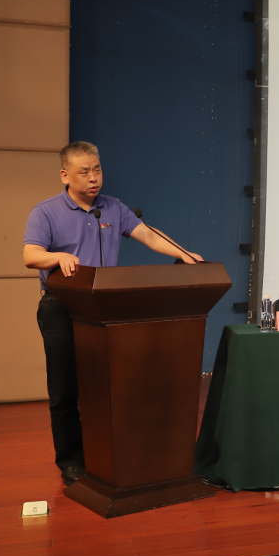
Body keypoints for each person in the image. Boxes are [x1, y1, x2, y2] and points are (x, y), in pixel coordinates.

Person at [23, 141, 203, 485]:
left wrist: (181, 253)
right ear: (65, 175)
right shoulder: (45, 212)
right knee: (65, 391)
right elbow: (30, 255)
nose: (93, 178)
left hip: (104, 308)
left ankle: (106, 455)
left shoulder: (112, 207)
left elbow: (146, 233)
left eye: (97, 170)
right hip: (61, 308)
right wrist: (57, 257)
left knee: (105, 388)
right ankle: (71, 462)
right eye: (84, 172)